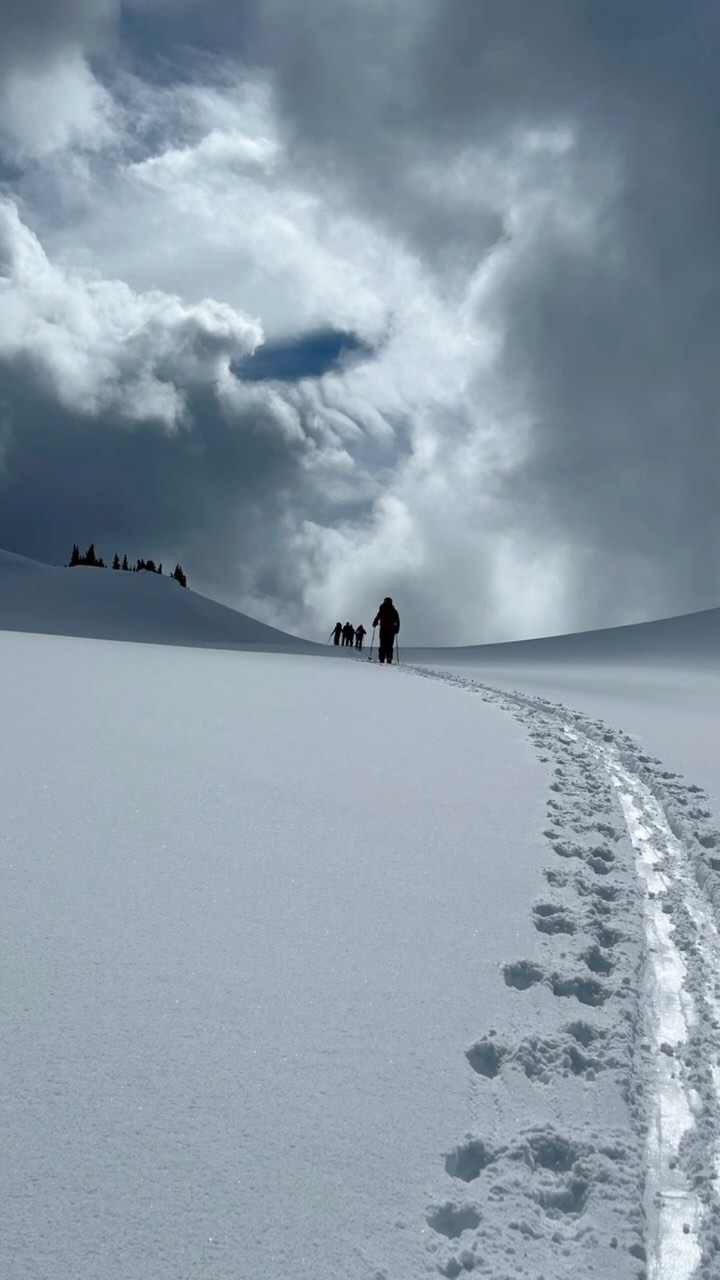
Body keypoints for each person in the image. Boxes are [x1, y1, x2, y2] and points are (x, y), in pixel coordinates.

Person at [372, 597, 400, 664]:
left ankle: (381, 659)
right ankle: (389, 659)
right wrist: (397, 629)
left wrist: (374, 623)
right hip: (391, 630)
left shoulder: (382, 609)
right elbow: (398, 621)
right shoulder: (394, 610)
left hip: (383, 629)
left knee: (382, 644)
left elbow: (377, 617)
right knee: (389, 645)